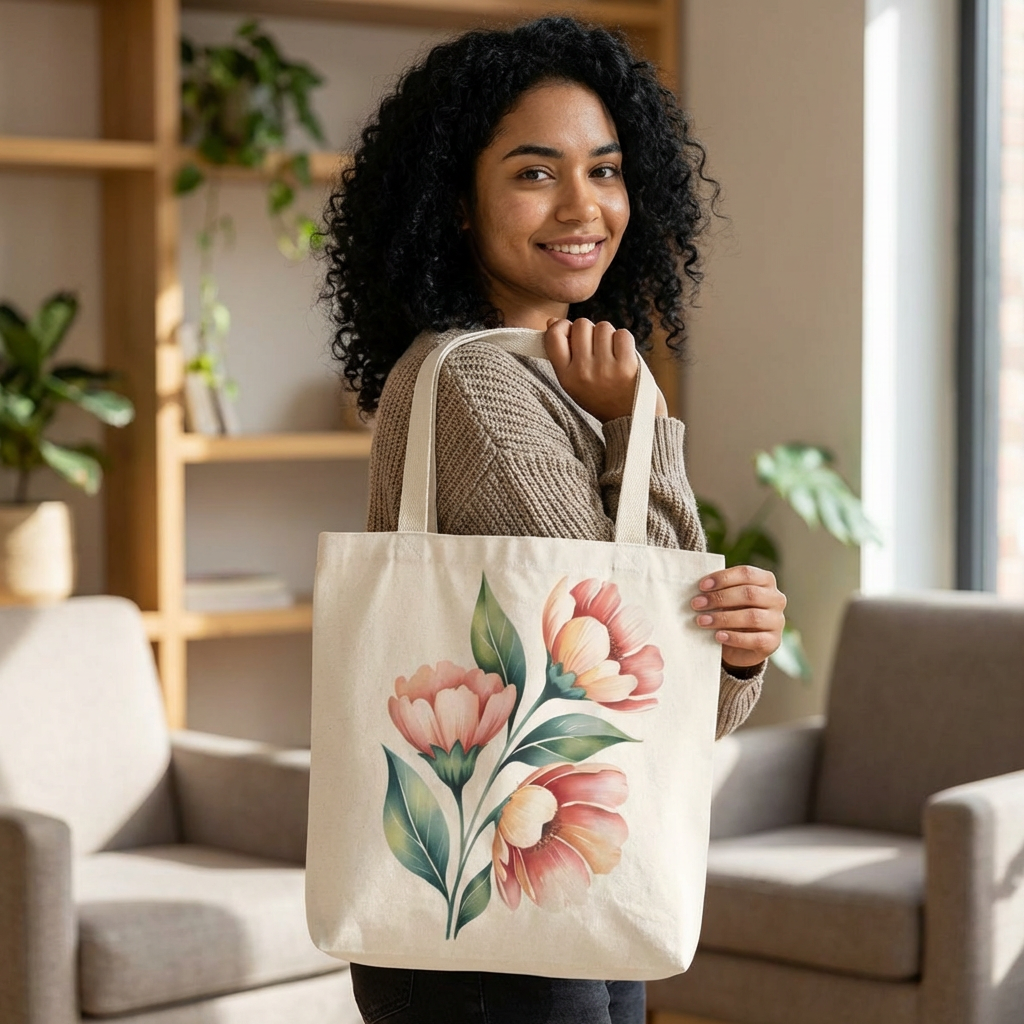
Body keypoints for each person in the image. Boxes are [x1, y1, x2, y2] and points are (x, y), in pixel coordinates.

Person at [320, 15, 787, 1024]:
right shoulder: (482, 386)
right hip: (492, 909)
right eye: (535, 172)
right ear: (455, 203)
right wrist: (643, 428)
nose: (584, 205)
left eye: (606, 170)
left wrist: (735, 653)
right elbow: (629, 659)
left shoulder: (563, 382)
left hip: (554, 873)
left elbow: (671, 707)